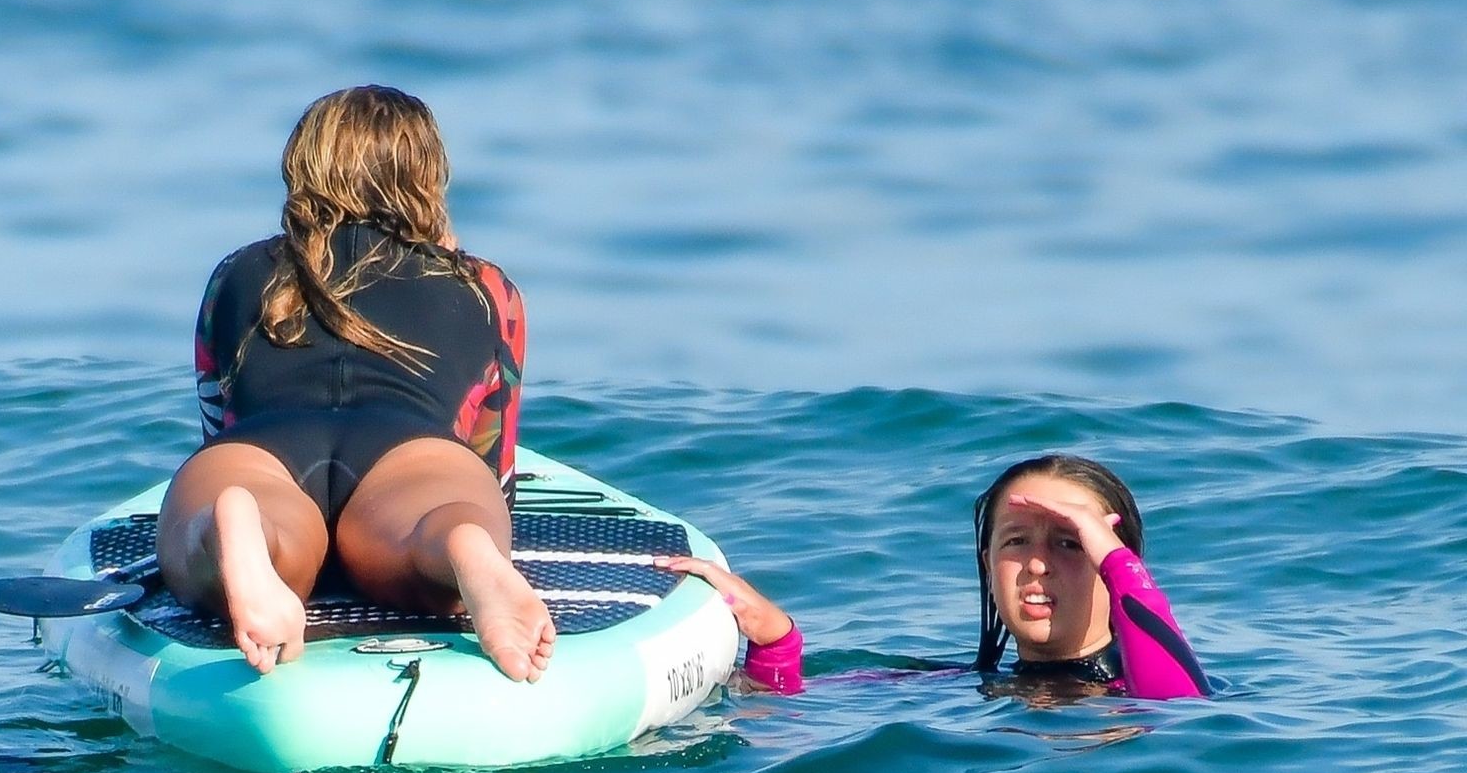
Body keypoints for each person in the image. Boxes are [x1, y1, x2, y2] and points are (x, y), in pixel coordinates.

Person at [158, 86, 555, 682]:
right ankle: (459, 545)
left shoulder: (236, 273)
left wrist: (228, 492)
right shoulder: (483, 287)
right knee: (440, 523)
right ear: (428, 175)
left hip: (259, 449)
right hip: (412, 452)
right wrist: (477, 513)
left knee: (222, 534)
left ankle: (235, 527)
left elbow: (218, 421)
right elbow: (494, 464)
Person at [659, 454, 1208, 700]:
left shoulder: (1137, 696)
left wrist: (1117, 561)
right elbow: (781, 719)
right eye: (1016, 541)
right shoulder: (950, 689)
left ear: (1117, 565)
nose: (1037, 564)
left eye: (1071, 543)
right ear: (987, 563)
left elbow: (1177, 708)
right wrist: (777, 644)